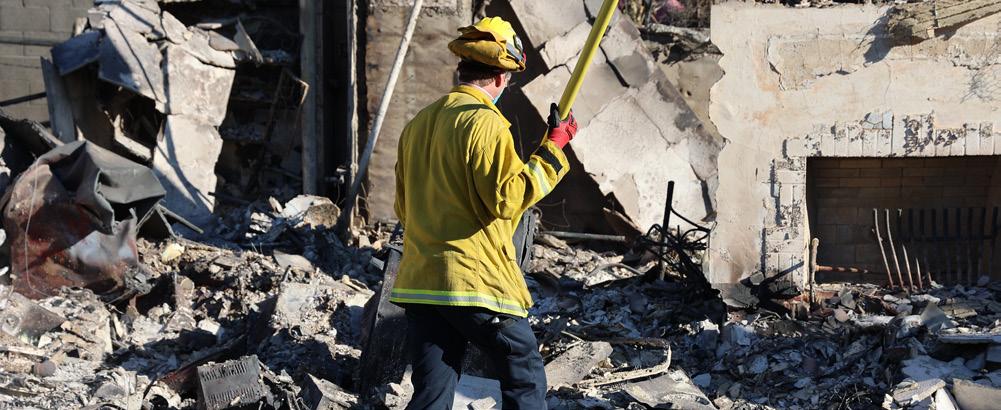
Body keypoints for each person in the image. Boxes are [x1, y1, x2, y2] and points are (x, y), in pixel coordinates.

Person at [390, 16, 579, 409]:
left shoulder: (418, 124)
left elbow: (404, 210)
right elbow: (507, 199)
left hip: (421, 283)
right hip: (474, 283)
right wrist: (553, 149)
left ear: (463, 69)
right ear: (499, 77)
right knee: (524, 373)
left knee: (432, 394)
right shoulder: (486, 123)